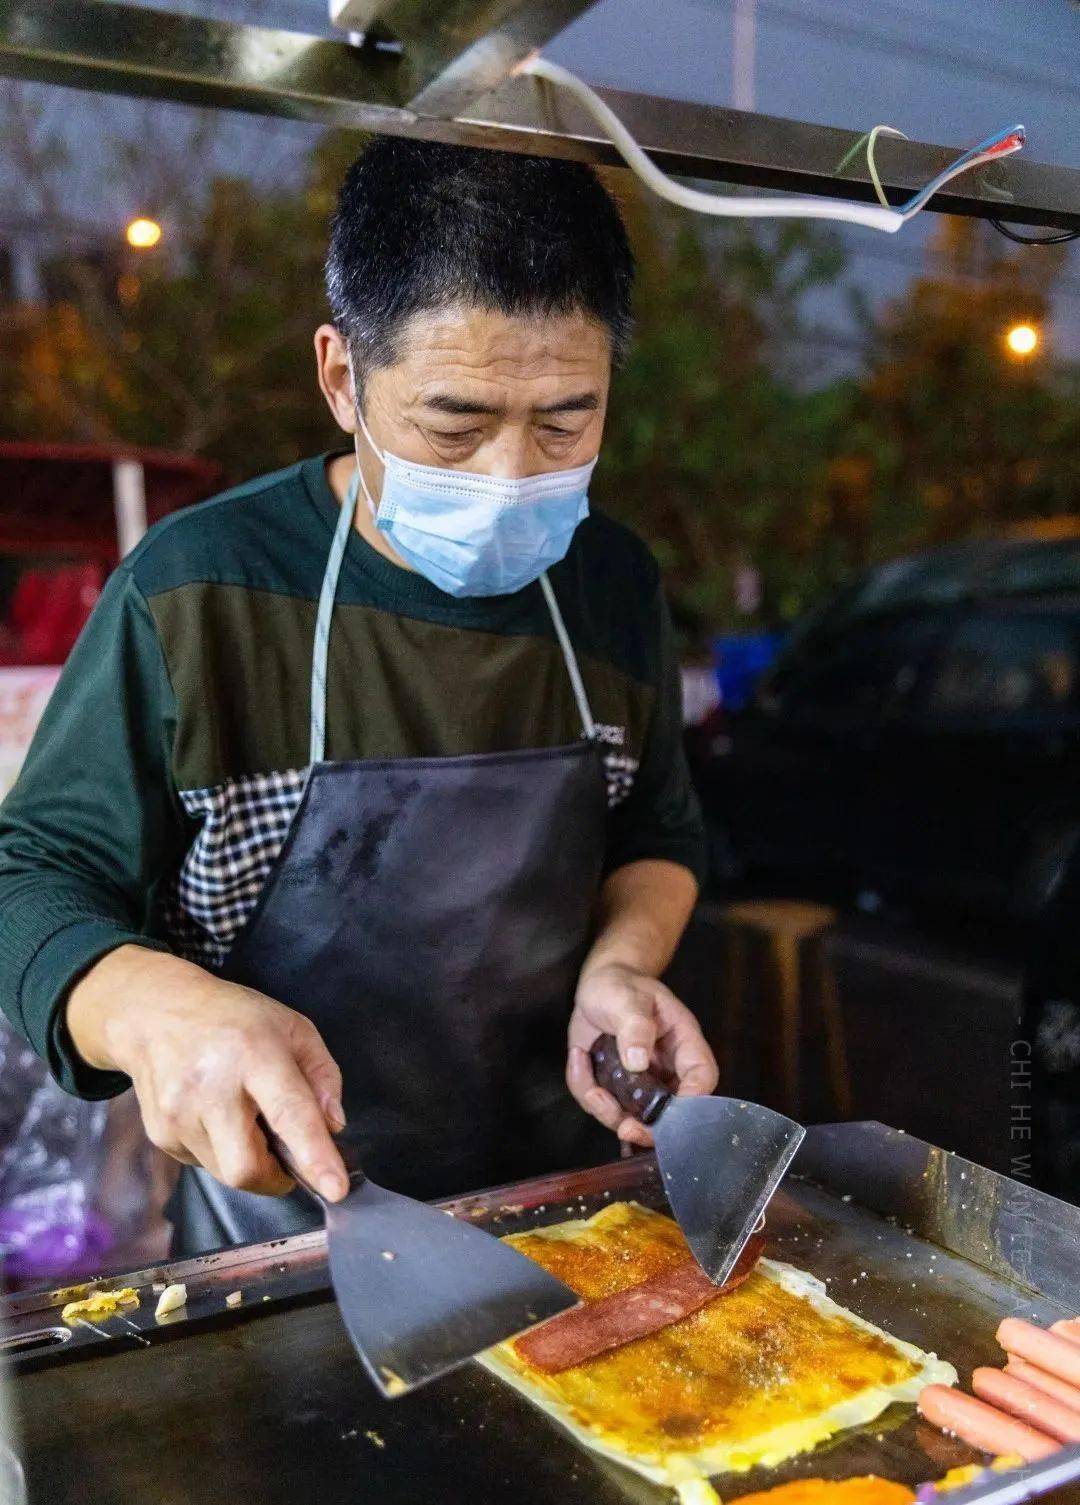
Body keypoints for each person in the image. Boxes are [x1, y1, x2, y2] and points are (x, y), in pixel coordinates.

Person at [0, 139, 717, 1255]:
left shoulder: (613, 582)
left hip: (563, 1198)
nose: (509, 477)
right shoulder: (199, 591)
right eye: (454, 423)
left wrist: (622, 962)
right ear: (342, 376)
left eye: (565, 422)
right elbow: (31, 877)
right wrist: (149, 1003)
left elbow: (660, 830)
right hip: (277, 1230)